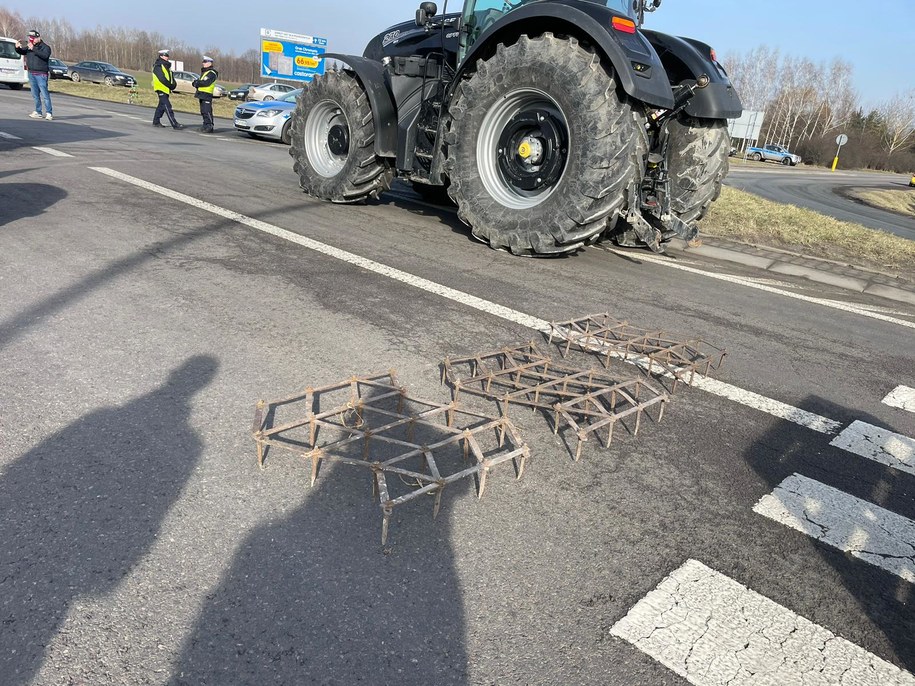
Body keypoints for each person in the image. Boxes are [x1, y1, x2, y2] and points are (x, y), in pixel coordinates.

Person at [15, 30, 53, 121]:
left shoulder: (45, 47)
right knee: (35, 94)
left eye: (33, 38)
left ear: (38, 38)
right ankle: (38, 111)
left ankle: (49, 113)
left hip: (41, 74)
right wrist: (17, 48)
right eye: (30, 38)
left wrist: (33, 48)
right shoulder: (29, 47)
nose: (31, 39)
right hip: (31, 73)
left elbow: (45, 56)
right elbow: (22, 51)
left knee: (45, 94)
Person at [151, 49, 184, 130]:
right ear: (161, 56)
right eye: (165, 55)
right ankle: (174, 124)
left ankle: (156, 121)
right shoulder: (158, 66)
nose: (167, 57)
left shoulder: (166, 66)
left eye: (167, 56)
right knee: (167, 106)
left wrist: (173, 85)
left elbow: (170, 77)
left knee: (161, 106)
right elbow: (162, 79)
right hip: (161, 88)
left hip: (166, 89)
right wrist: (170, 85)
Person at [192, 55, 218, 133]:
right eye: (203, 62)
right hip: (201, 94)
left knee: (207, 111)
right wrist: (196, 83)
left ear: (210, 63)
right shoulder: (205, 72)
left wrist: (197, 83)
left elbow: (205, 83)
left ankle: (210, 126)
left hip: (207, 94)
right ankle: (205, 125)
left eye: (205, 62)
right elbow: (199, 81)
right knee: (203, 111)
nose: (203, 63)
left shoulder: (211, 73)